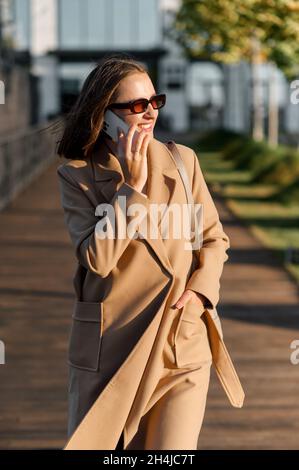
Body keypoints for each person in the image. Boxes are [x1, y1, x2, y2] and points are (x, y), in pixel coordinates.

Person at [56, 53, 244, 450]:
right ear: (104, 114)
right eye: (136, 106)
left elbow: (213, 239)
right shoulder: (77, 177)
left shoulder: (182, 161)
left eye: (154, 102)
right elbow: (98, 259)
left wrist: (199, 294)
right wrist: (132, 187)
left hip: (182, 341)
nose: (149, 114)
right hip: (115, 348)